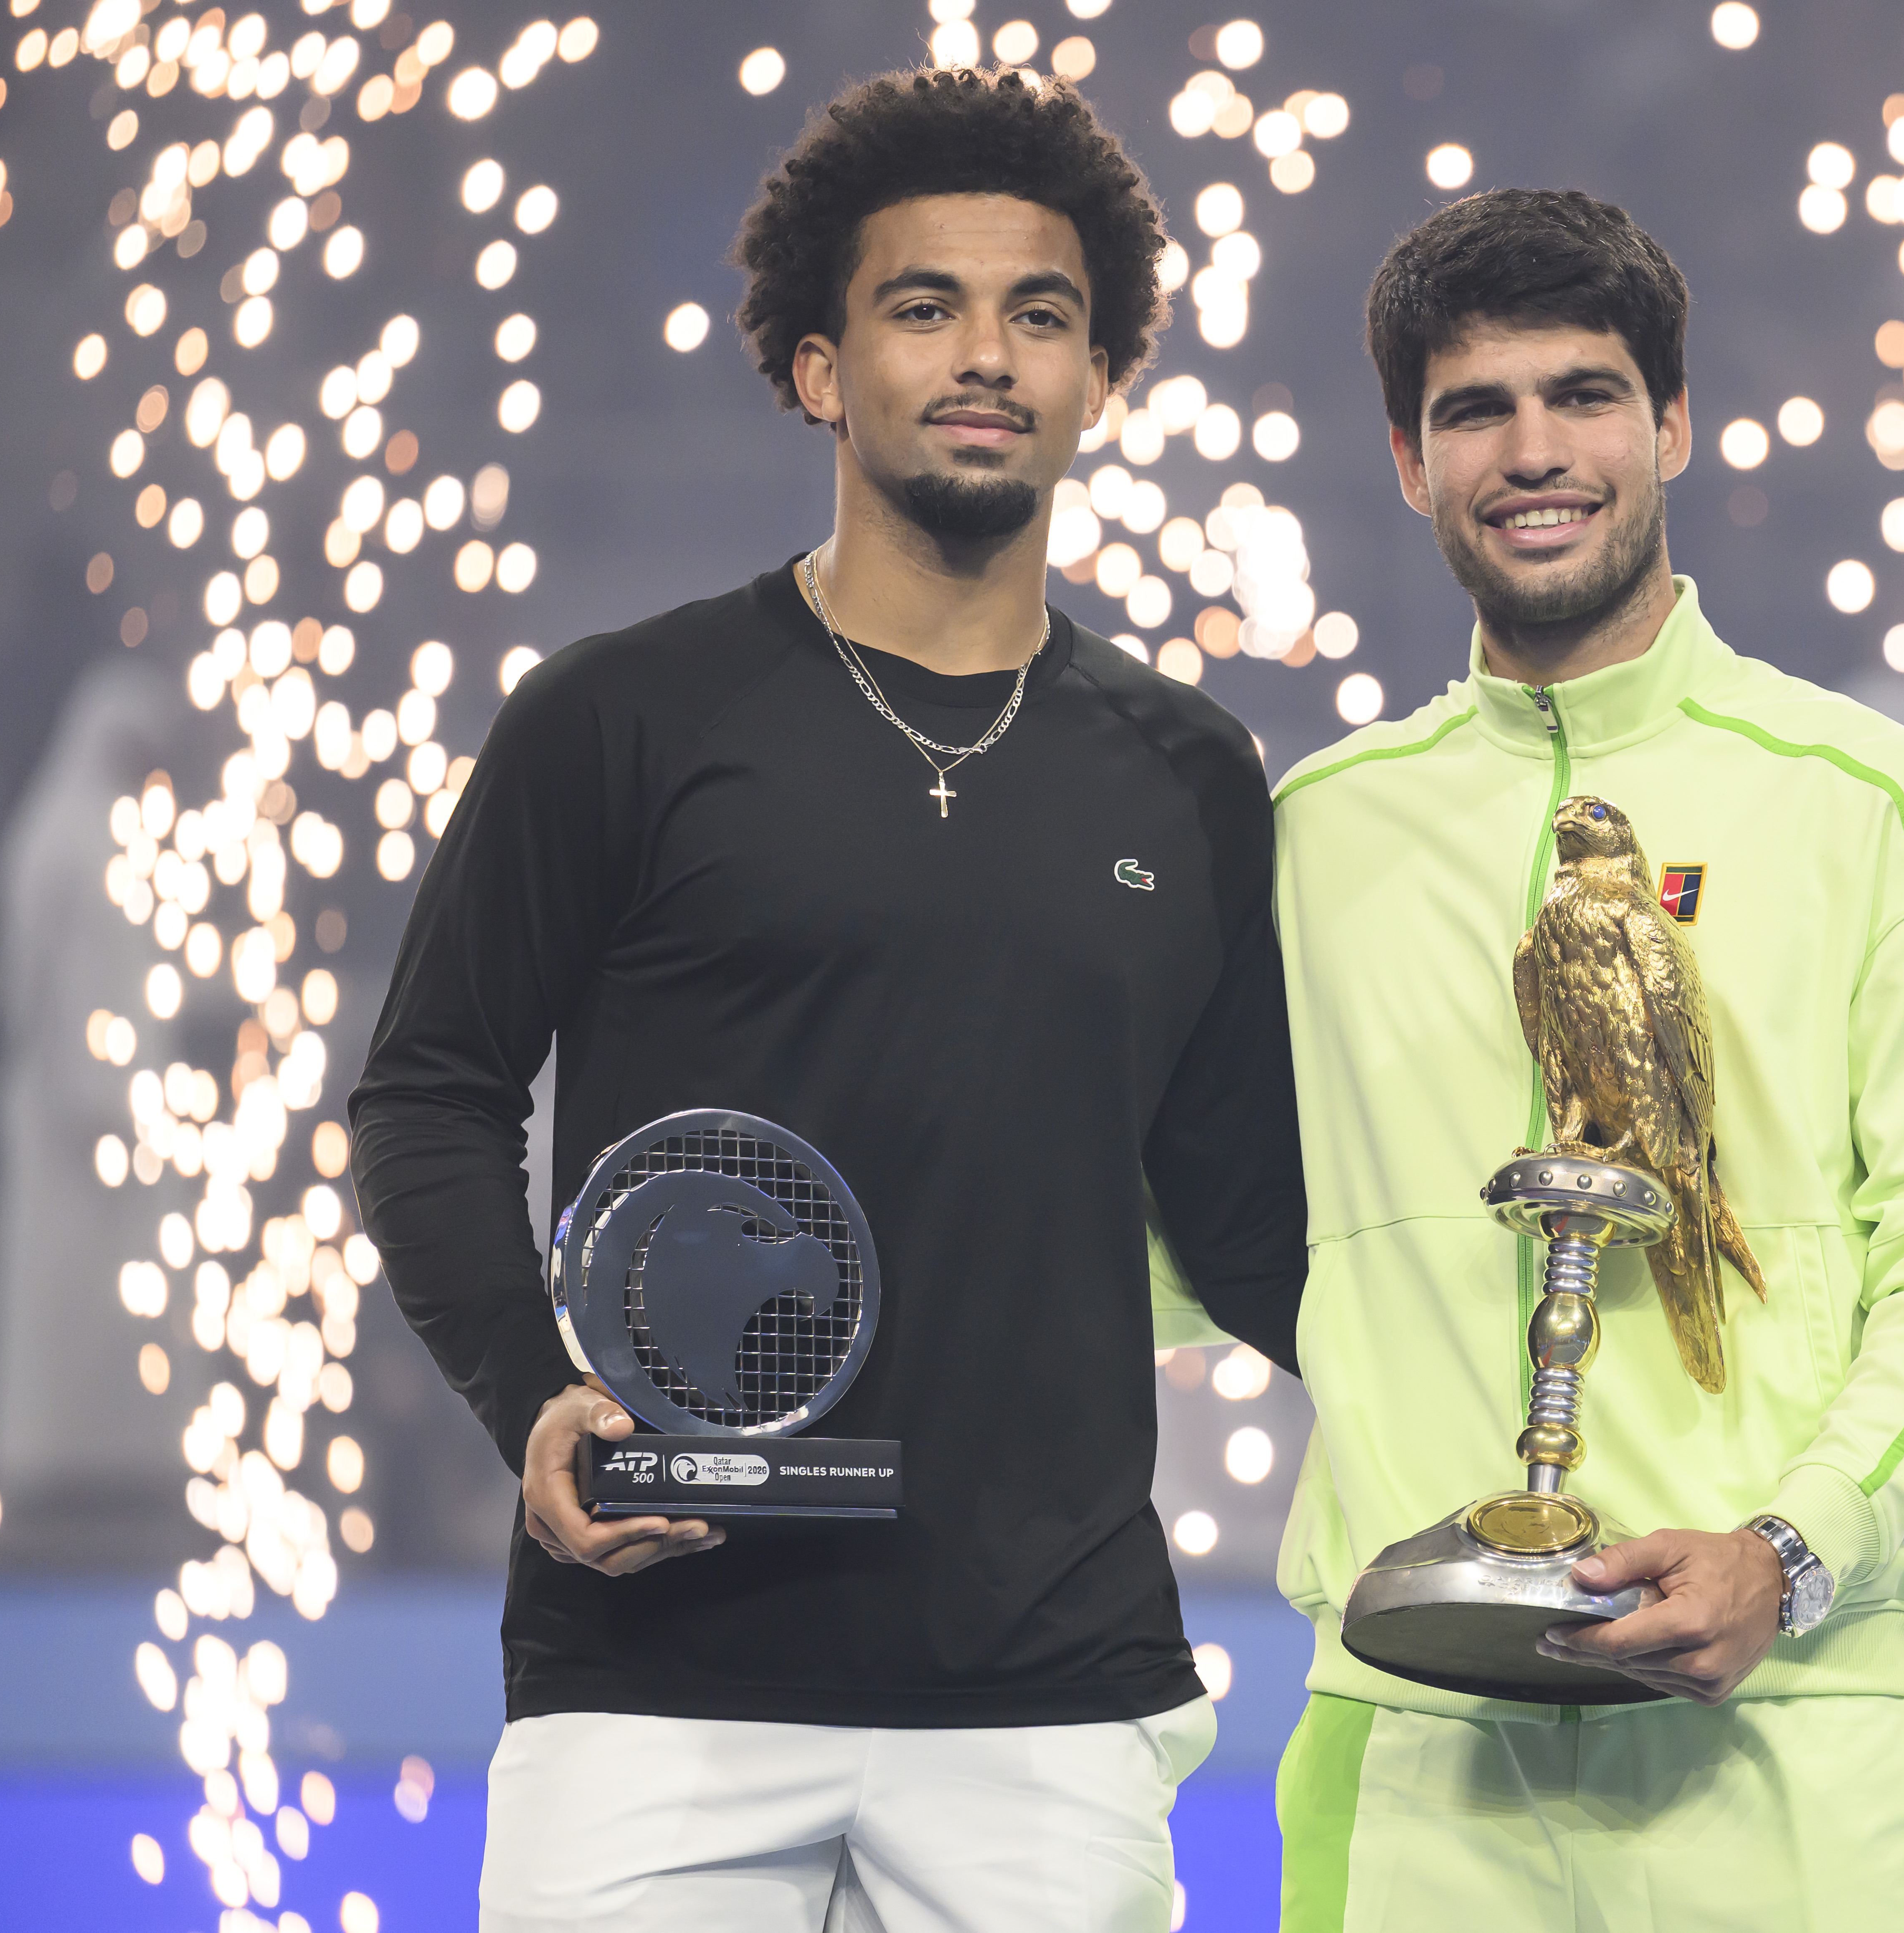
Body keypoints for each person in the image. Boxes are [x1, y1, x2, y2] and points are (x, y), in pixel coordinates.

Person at [346, 67, 1306, 1933]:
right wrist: (534, 1397)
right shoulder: (617, 718)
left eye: (1040, 314)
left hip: (1051, 1695)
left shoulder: (1189, 773)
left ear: (1100, 380)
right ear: (813, 365)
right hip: (654, 1667)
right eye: (921, 305)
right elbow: (428, 1092)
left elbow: (1249, 1222)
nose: (985, 355)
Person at [1266, 190, 1904, 1931]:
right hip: (1413, 1753)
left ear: (1672, 426)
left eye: (1585, 396)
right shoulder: (1307, 834)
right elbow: (1196, 1232)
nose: (1533, 451)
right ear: (1407, 458)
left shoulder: (1879, 805)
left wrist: (1789, 1552)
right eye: (1474, 410)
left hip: (1780, 1733)